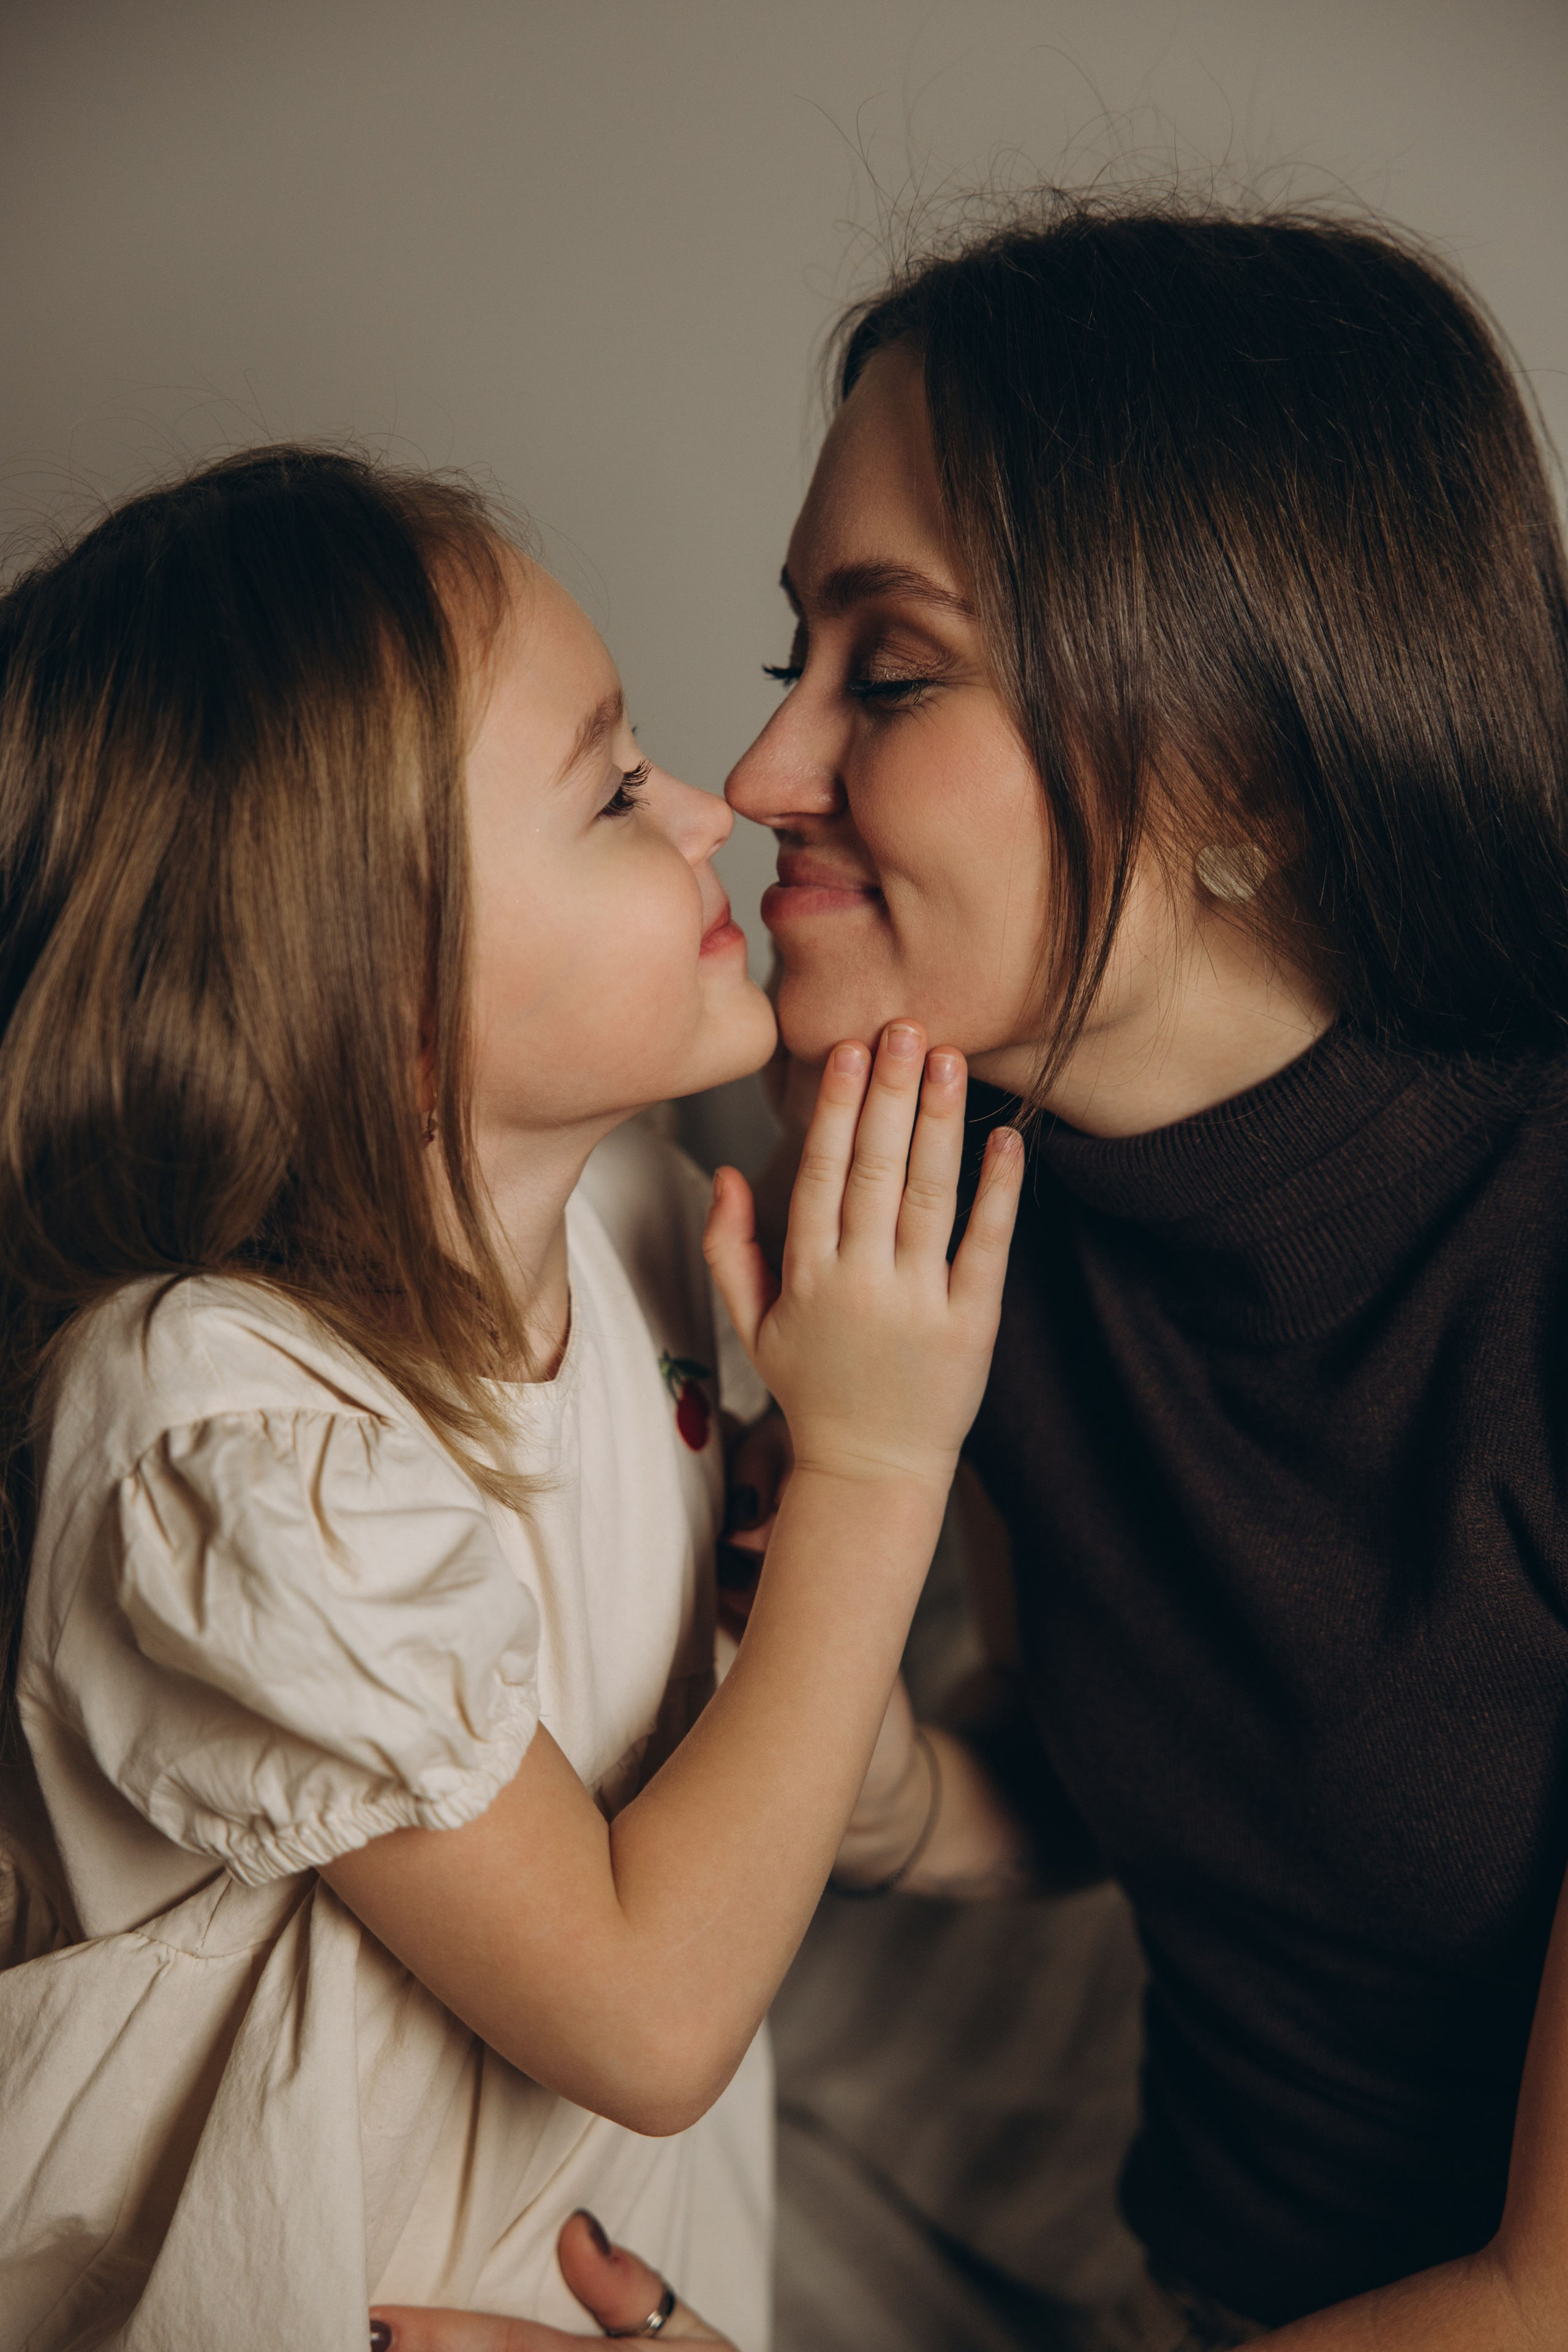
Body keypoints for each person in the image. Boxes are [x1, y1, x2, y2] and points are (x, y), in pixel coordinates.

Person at [418, 194, 1568, 2350]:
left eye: (898, 668)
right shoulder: (945, 1197)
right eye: (794, 659)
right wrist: (879, 1792)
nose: (758, 778)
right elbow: (1098, 1767)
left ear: (1256, 767)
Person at [0, 447, 1023, 2352]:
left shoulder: (645, 1223)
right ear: (375, 988)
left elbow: (814, 1794)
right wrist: (883, 1464)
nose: (716, 804)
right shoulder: (222, 1428)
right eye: (615, 787)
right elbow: (645, 2018)